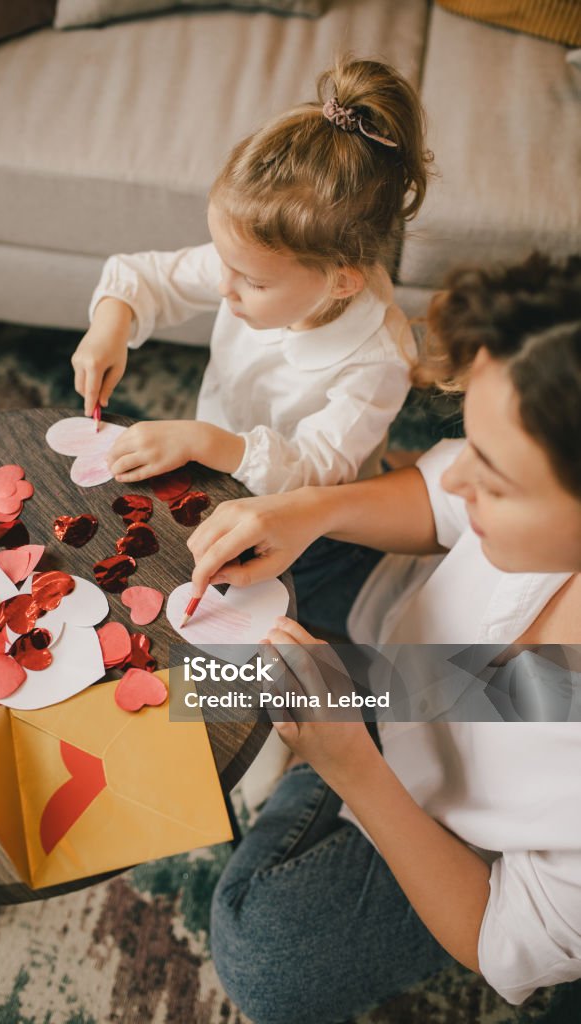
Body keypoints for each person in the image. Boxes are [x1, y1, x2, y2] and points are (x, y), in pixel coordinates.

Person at [184, 253, 581, 1022]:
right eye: (471, 445)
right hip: (402, 651)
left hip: (444, 818)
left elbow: (500, 938)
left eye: (495, 480)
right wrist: (310, 511)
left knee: (262, 955)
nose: (461, 476)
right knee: (237, 522)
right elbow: (440, 495)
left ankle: (315, 761)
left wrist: (350, 767)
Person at [70, 56, 431, 498]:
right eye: (225, 264)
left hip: (309, 527)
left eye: (254, 284)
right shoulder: (247, 265)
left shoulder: (378, 360)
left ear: (341, 283)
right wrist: (111, 323)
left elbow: (316, 472)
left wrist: (208, 442)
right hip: (212, 462)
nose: (225, 287)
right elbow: (145, 276)